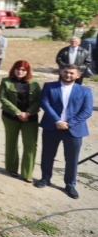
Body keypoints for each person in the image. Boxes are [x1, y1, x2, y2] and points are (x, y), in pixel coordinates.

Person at [36, 64, 93, 199]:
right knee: (47, 155)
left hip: (74, 130)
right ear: (61, 72)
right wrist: (57, 120)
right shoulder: (49, 86)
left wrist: (69, 123)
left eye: (72, 73)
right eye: (66, 72)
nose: (68, 75)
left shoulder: (85, 91)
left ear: (78, 75)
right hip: (52, 126)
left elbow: (87, 111)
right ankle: (45, 178)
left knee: (71, 159)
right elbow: (45, 103)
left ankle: (70, 185)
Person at [0, 60, 41, 183]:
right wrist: (17, 112)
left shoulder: (34, 83)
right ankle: (12, 168)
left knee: (30, 145)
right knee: (11, 142)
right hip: (10, 117)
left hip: (30, 118)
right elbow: (3, 98)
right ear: (13, 69)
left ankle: (27, 173)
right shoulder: (6, 81)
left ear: (27, 71)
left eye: (23, 70)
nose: (20, 72)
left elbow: (39, 100)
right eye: (18, 69)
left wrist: (27, 113)